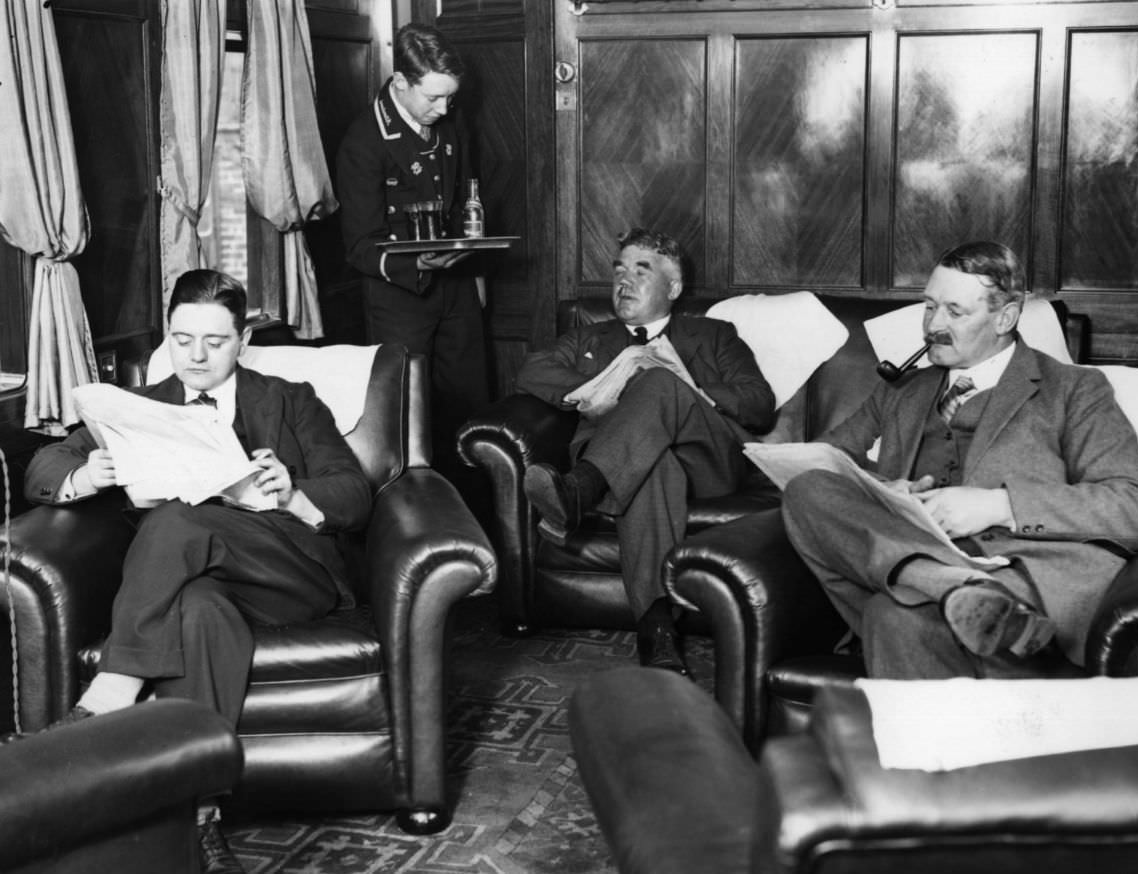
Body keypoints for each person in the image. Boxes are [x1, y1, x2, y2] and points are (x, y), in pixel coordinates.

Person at [22, 269, 372, 874]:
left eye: (215, 341)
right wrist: (84, 476)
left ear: (242, 341)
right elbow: (46, 463)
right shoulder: (143, 405)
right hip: (198, 585)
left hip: (286, 574)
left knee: (176, 522)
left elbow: (353, 491)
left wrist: (292, 492)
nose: (197, 355)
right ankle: (200, 820)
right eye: (183, 340)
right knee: (198, 612)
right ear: (169, 336)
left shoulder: (289, 398)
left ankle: (109, 694)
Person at [781, 241, 1138, 680]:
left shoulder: (1074, 390)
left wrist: (999, 505)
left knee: (894, 615)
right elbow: (827, 457)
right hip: (918, 562)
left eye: (954, 312)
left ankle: (962, 596)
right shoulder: (902, 389)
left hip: (1017, 574)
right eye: (928, 306)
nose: (933, 326)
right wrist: (879, 488)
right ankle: (947, 585)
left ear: (1006, 317)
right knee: (808, 486)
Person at [517, 227, 774, 675]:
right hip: (634, 462)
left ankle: (581, 490)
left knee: (656, 379)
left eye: (641, 270)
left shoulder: (714, 335)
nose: (624, 281)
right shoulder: (589, 339)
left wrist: (682, 387)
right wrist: (607, 385)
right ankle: (657, 630)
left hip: (707, 459)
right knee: (654, 466)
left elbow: (757, 401)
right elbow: (531, 370)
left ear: (673, 288)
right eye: (618, 270)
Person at [336, 22, 486, 469]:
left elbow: (464, 202)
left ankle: (478, 524)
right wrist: (417, 260)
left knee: (468, 413)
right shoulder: (364, 143)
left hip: (456, 289)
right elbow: (360, 246)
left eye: (450, 97)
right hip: (399, 299)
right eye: (433, 97)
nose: (444, 108)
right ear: (400, 82)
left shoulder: (450, 124)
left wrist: (476, 272)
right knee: (408, 424)